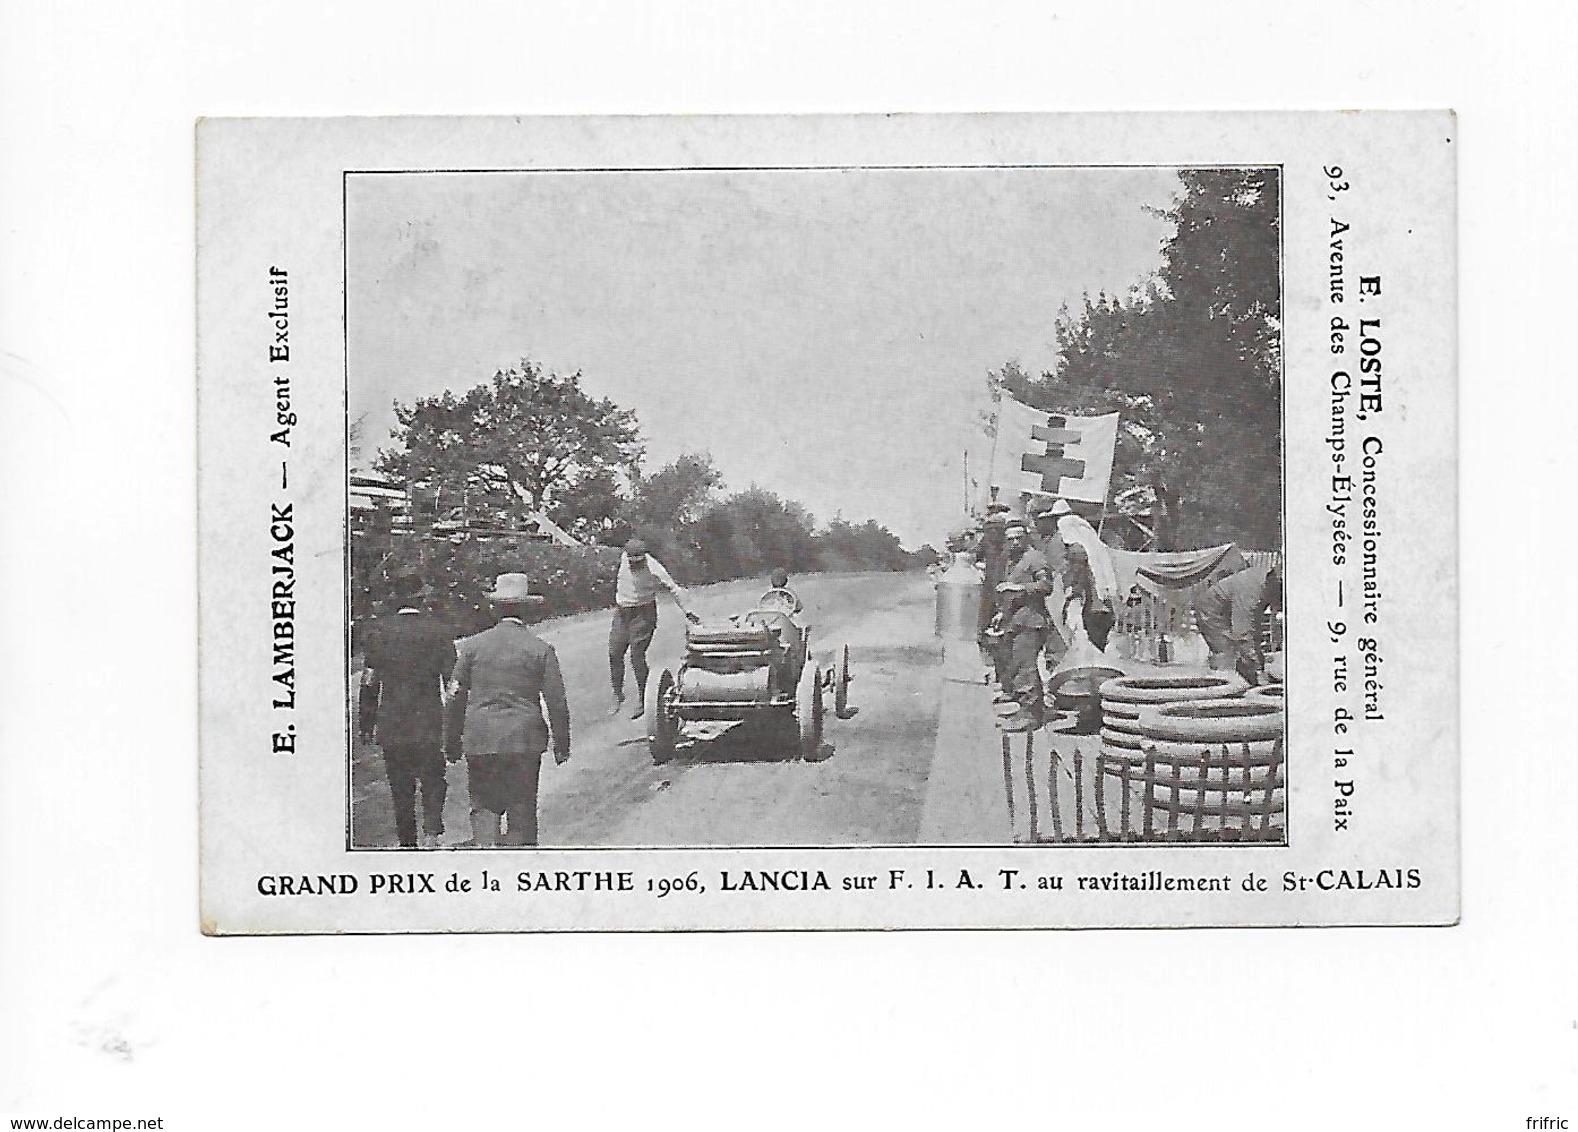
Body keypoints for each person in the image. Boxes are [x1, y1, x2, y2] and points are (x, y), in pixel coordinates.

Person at [449, 573, 571, 847]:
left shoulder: (472, 648)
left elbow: (454, 696)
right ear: (527, 609)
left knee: (484, 807)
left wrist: (452, 741)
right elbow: (557, 702)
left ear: (495, 608)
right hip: (523, 742)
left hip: (481, 740)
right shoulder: (541, 649)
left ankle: (486, 860)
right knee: (522, 809)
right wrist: (561, 745)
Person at [359, 573, 457, 849]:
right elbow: (453, 685)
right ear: (421, 597)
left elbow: (369, 682)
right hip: (429, 722)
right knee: (433, 779)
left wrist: (366, 725)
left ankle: (407, 842)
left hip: (392, 723)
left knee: (400, 786)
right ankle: (433, 833)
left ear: (395, 600)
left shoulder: (379, 634)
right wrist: (453, 725)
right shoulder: (438, 632)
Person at [608, 537, 700, 718]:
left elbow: (674, 588)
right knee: (614, 652)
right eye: (632, 561)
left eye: (639, 561)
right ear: (626, 556)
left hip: (643, 614)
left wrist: (687, 611)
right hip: (622, 613)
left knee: (636, 656)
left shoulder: (654, 568)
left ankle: (645, 699)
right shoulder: (622, 558)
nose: (635, 565)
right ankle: (617, 694)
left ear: (644, 557)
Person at [994, 519, 1054, 730]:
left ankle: (1031, 715)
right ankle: (1023, 709)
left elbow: (1046, 586)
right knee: (1018, 665)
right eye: (1010, 539)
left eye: (1019, 537)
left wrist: (1018, 587)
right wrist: (1002, 613)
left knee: (1026, 667)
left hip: (1032, 620)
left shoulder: (1035, 558)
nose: (1014, 542)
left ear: (1027, 536)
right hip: (1017, 619)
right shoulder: (1014, 560)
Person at [1193, 558, 1277, 685]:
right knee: (1227, 654)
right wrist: (1258, 668)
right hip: (1212, 611)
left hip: (1228, 608)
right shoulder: (1251, 591)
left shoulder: (1267, 583)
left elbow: (1255, 628)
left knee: (1244, 653)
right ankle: (1222, 690)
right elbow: (1242, 632)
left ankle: (1247, 678)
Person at [973, 503, 1013, 652]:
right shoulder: (1007, 533)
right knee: (1001, 607)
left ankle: (985, 639)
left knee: (988, 608)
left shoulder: (988, 535)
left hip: (993, 576)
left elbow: (976, 554)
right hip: (1003, 575)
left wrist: (978, 566)